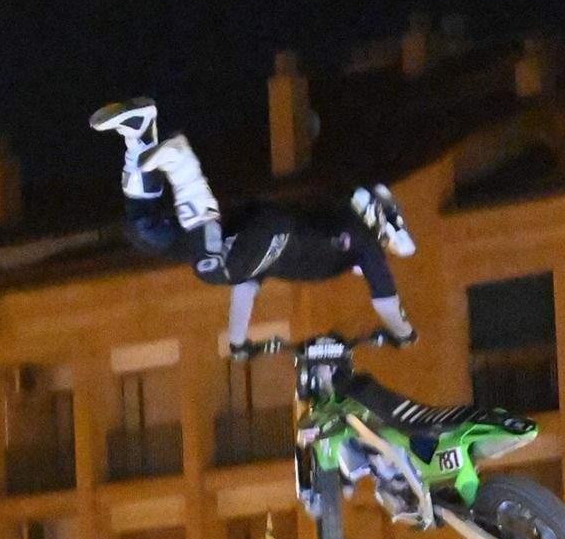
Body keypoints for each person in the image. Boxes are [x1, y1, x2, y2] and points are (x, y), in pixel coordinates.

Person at [90, 98, 418, 359]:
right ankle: (181, 163)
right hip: (272, 231)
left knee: (147, 232)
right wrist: (403, 334)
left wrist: (238, 343)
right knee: (212, 269)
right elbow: (386, 301)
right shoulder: (362, 239)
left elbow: (245, 288)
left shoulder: (277, 258)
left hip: (254, 231)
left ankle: (140, 134)